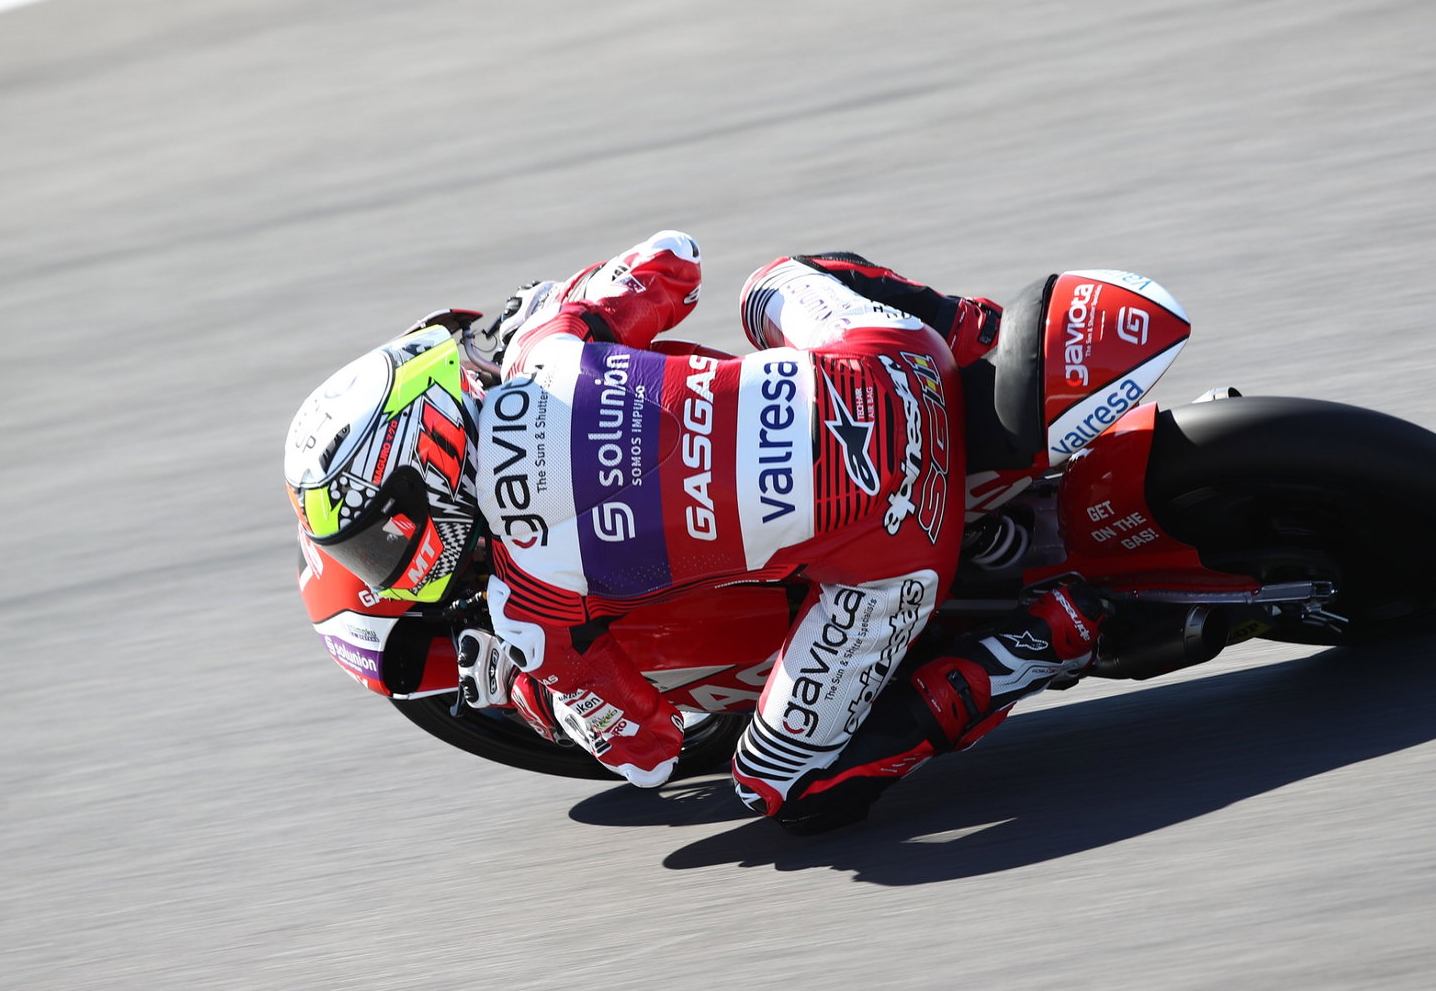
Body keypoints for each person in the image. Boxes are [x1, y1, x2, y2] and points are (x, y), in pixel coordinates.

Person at [284, 232, 1102, 833]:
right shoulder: (547, 345)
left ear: (422, 466)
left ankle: (1042, 640)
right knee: (771, 282)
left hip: (897, 544)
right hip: (894, 358)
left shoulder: (533, 604)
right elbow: (673, 262)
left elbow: (652, 750)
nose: (386, 558)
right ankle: (979, 341)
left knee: (783, 785)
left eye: (379, 539)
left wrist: (537, 693)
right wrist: (565, 305)